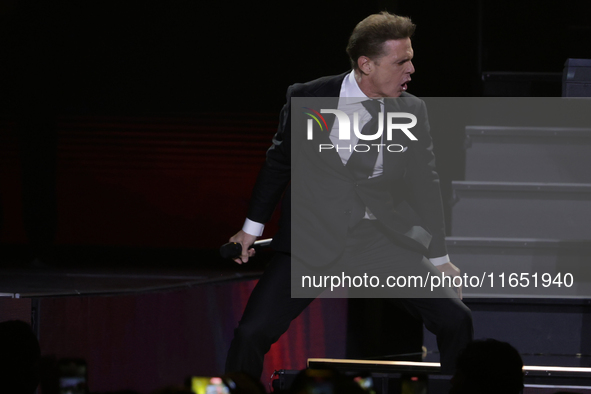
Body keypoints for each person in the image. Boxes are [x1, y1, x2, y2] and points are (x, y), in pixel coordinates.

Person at [225, 11, 473, 379]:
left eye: (411, 59)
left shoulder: (412, 111)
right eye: (401, 61)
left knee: (456, 319)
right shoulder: (307, 97)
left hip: (378, 240)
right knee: (250, 334)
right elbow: (279, 165)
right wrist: (251, 229)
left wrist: (440, 258)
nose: (411, 69)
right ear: (366, 65)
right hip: (313, 241)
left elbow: (425, 184)